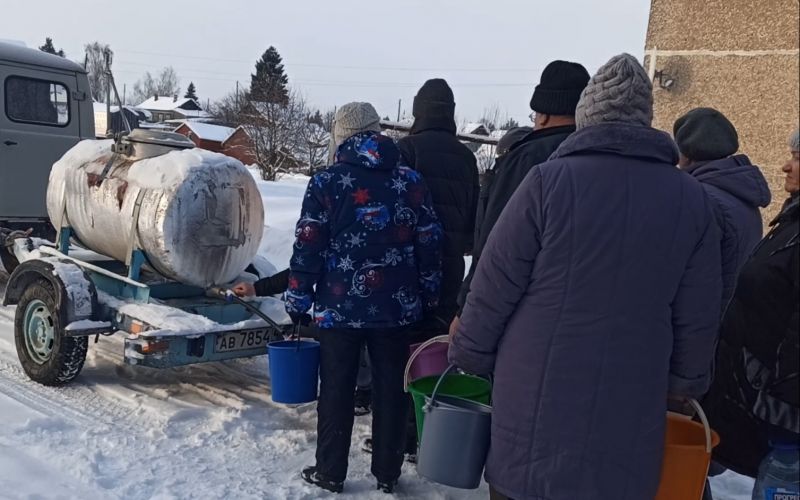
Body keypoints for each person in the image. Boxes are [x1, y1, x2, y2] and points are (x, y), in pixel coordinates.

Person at [449, 54, 722, 500]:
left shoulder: (547, 183)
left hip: (534, 396)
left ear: (587, 115)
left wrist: (471, 353)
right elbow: (699, 313)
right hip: (633, 397)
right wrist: (683, 386)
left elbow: (494, 285)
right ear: (646, 118)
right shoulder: (692, 200)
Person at [285, 102, 442, 494]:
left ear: (342, 135)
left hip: (339, 310)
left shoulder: (327, 182)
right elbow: (430, 242)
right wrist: (430, 295)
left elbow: (309, 245)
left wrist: (298, 298)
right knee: (393, 388)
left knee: (336, 389)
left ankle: (330, 472)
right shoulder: (411, 181)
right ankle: (388, 473)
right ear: (377, 131)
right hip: (396, 307)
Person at [454, 60, 590, 333]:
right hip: (582, 313)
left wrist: (466, 308)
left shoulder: (527, 159)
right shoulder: (596, 157)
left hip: (524, 311)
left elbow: (497, 243)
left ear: (543, 115)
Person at [702, 129, 799, 485]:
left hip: (782, 427)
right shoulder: (790, 223)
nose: (785, 166)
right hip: (755, 406)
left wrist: (779, 410)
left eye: (798, 158)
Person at [397, 78, 479, 332]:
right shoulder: (467, 157)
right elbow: (474, 217)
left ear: (418, 111)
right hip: (451, 267)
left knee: (401, 348)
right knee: (435, 346)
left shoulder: (406, 149)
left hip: (408, 265)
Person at [674, 107, 771, 310]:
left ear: (687, 154)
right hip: (731, 317)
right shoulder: (742, 196)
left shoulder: (701, 199)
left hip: (705, 322)